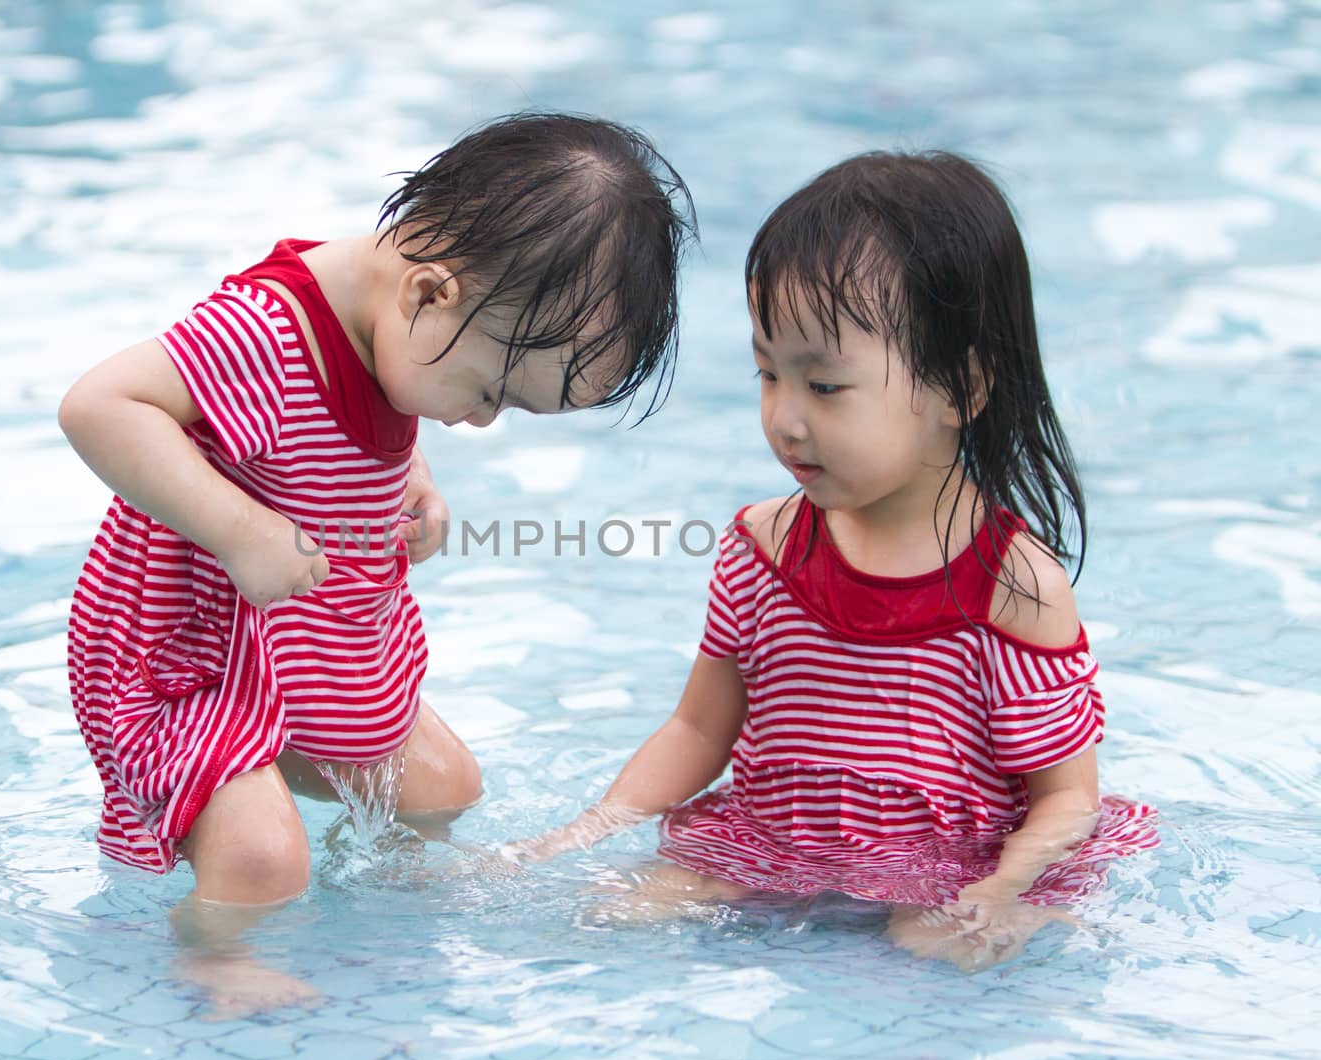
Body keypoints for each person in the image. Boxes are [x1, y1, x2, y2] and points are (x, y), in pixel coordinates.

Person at [512, 151, 1157, 972]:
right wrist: (584, 830)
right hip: (772, 843)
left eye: (825, 386)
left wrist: (1006, 887)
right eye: (768, 373)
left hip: (943, 870)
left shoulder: (1010, 583)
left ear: (959, 388)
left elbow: (1067, 797)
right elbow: (699, 728)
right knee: (610, 912)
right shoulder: (762, 547)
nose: (783, 418)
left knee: (927, 947)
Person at [59, 111, 695, 918]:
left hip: (294, 642)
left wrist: (408, 474)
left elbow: (334, 427)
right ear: (429, 292)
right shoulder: (264, 332)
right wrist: (239, 529)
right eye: (491, 392)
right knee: (262, 863)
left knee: (441, 792)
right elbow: (99, 405)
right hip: (186, 657)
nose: (482, 420)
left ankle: (363, 877)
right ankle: (216, 976)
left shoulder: (396, 325)